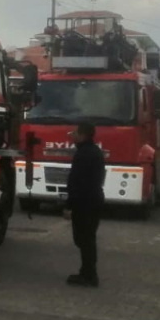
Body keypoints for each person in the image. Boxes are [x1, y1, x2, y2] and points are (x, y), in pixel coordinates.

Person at [65, 122, 106, 287]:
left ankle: (89, 275)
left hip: (85, 202)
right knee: (87, 238)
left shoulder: (83, 154)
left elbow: (76, 181)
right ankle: (87, 272)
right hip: (93, 199)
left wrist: (69, 205)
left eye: (75, 133)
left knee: (84, 239)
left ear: (83, 135)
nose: (72, 135)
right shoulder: (94, 151)